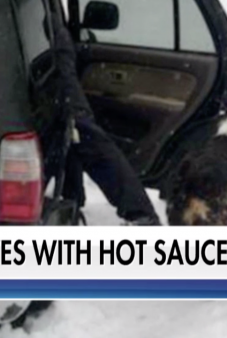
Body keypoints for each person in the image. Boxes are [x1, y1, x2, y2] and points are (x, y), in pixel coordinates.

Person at [51, 13, 161, 226]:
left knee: (77, 131)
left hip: (45, 78)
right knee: (81, 131)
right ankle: (141, 217)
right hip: (48, 78)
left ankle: (72, 201)